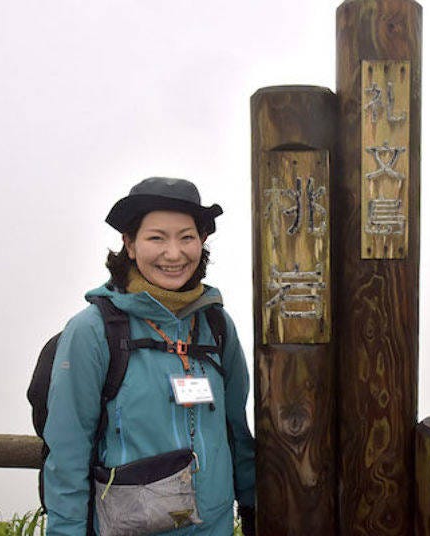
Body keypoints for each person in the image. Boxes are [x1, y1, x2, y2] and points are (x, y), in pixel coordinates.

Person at [43, 177, 256, 536]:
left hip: (213, 527)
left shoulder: (215, 324)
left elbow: (236, 428)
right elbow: (67, 451)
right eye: (156, 237)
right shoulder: (94, 330)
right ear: (129, 243)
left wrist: (252, 507)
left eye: (187, 237)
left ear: (202, 242)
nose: (174, 254)